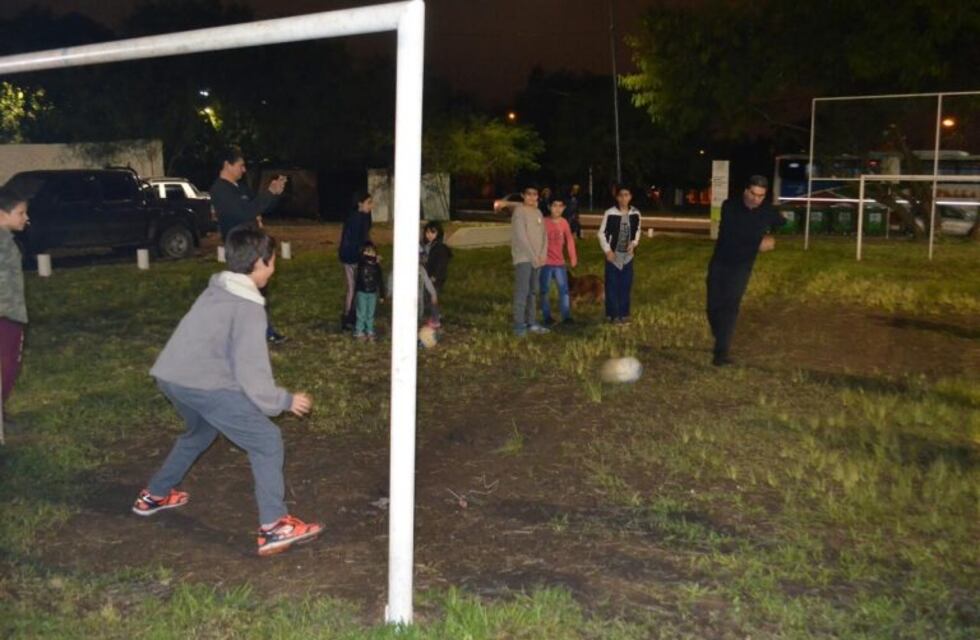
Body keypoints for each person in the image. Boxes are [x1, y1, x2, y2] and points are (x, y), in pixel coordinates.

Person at [132, 226, 321, 557]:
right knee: (266, 440)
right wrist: (285, 400)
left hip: (171, 376)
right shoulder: (248, 308)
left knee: (200, 432)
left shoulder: (217, 290)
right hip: (203, 384)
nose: (274, 269)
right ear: (260, 263)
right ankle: (274, 526)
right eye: (273, 262)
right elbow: (252, 373)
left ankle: (156, 494)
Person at [209, 146, 289, 344]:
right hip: (240, 249)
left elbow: (259, 206)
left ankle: (263, 331)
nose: (244, 170)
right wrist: (267, 194)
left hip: (254, 245)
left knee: (259, 291)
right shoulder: (219, 190)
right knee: (244, 293)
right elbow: (245, 212)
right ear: (227, 165)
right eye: (240, 165)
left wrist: (275, 193)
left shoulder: (240, 188)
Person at [707, 175, 785, 366]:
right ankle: (721, 336)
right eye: (754, 194)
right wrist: (759, 242)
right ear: (746, 191)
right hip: (720, 263)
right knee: (713, 308)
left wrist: (771, 234)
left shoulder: (767, 210)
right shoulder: (729, 206)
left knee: (730, 306)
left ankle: (721, 353)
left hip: (741, 267)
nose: (756, 199)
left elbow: (782, 222)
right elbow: (734, 234)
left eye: (761, 196)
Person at [0, 188, 29, 415]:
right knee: (6, 366)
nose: (26, 218)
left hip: (11, 312)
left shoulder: (7, 241)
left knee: (9, 365)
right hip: (5, 316)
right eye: (20, 213)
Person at [598, 185, 642, 324]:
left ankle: (624, 313)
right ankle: (613, 314)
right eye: (621, 195)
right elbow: (601, 233)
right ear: (617, 198)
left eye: (626, 195)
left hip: (627, 256)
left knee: (625, 284)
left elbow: (638, 231)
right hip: (613, 255)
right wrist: (607, 251)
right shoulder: (610, 213)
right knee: (612, 285)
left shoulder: (635, 213)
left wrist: (634, 244)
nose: (624, 198)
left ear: (630, 197)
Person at [509, 185, 549, 336]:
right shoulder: (519, 212)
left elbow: (544, 235)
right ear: (523, 195)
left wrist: (542, 255)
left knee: (533, 291)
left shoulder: (538, 212)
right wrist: (533, 257)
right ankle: (519, 324)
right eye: (529, 194)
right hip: (524, 258)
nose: (532, 197)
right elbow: (521, 237)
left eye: (535, 194)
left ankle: (531, 322)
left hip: (538, 260)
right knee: (522, 291)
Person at [338, 192, 374, 331]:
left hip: (358, 256)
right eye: (369, 202)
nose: (371, 205)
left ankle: (354, 315)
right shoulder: (354, 218)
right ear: (360, 203)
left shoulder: (365, 217)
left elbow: (366, 237)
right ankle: (347, 317)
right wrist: (364, 252)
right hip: (350, 256)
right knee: (352, 287)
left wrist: (371, 250)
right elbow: (353, 240)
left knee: (357, 286)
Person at [539, 196, 578, 325]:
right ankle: (547, 316)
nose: (557, 209)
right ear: (549, 207)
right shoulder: (543, 222)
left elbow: (570, 240)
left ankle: (566, 316)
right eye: (554, 205)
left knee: (564, 290)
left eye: (560, 206)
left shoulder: (564, 223)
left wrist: (573, 257)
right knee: (544, 290)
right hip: (545, 263)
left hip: (559, 263)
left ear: (564, 208)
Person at [419, 220, 452, 328]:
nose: (429, 235)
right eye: (427, 232)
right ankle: (435, 315)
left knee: (432, 297)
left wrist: (435, 276)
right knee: (428, 297)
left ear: (438, 234)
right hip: (427, 277)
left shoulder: (440, 248)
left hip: (435, 278)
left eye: (433, 233)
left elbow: (441, 265)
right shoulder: (427, 246)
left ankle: (435, 319)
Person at [353, 242, 384, 341]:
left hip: (372, 293)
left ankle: (370, 330)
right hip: (361, 292)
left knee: (370, 313)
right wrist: (375, 259)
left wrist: (382, 295)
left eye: (372, 252)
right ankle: (359, 331)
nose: (369, 254)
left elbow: (380, 281)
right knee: (361, 313)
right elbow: (364, 259)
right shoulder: (361, 264)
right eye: (367, 252)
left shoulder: (377, 267)